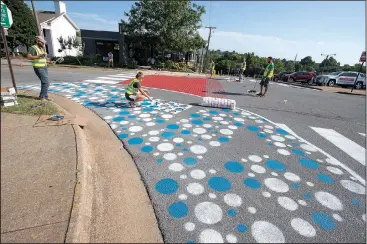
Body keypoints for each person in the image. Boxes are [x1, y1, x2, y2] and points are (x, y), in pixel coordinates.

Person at [27, 36, 51, 101]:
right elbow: (29, 57)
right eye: (42, 42)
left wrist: (49, 62)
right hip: (38, 67)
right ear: (38, 41)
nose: (43, 44)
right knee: (45, 82)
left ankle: (45, 96)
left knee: (47, 83)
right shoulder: (33, 48)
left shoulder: (41, 48)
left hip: (44, 67)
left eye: (44, 43)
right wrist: (38, 56)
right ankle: (42, 97)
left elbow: (43, 58)